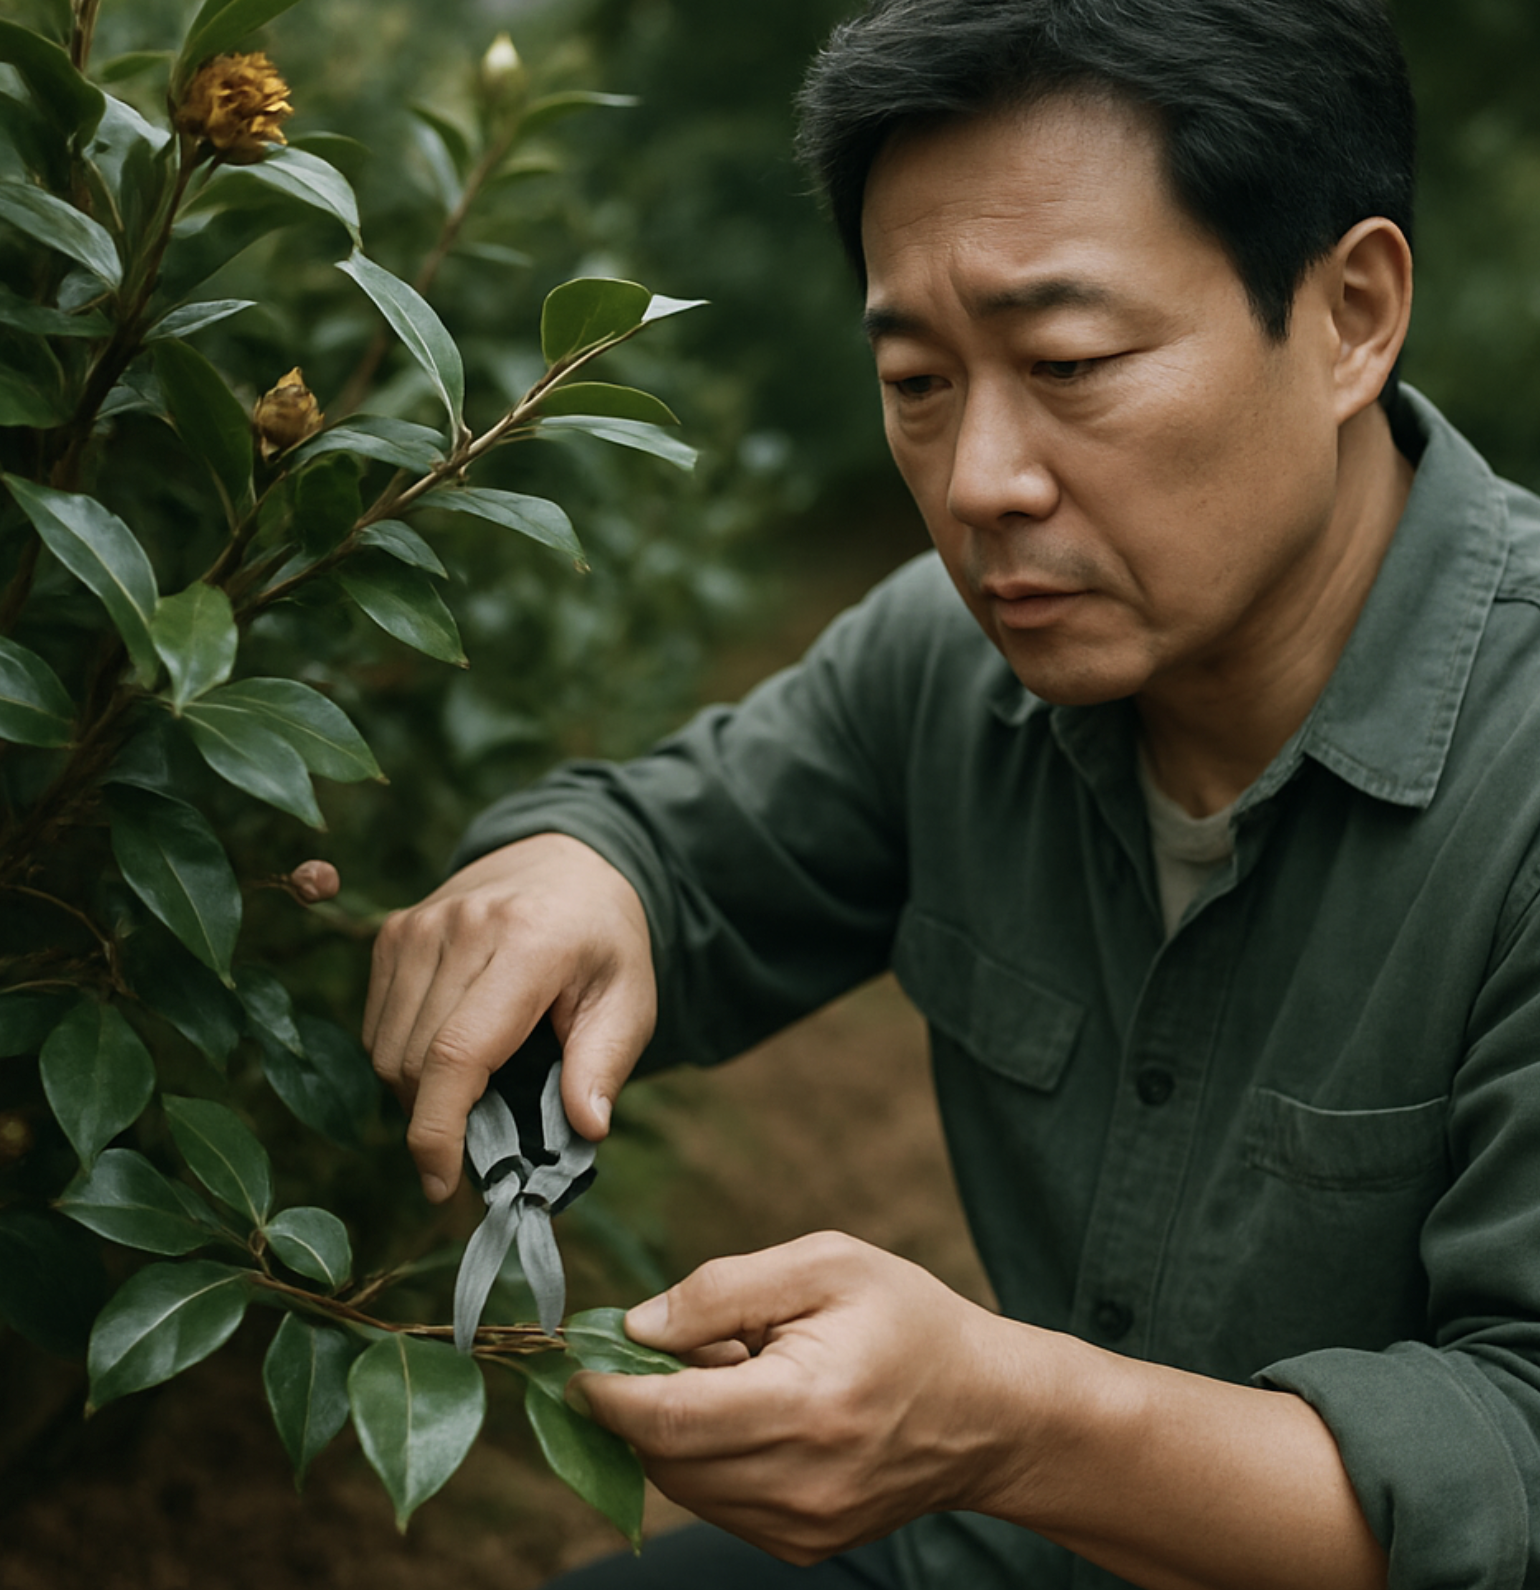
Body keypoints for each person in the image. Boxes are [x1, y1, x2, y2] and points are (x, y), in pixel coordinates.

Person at [338, 1, 1540, 1586]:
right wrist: (575, 873)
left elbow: (1514, 1461)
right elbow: (677, 851)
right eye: (918, 380)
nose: (980, 482)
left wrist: (1010, 1422)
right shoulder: (959, 663)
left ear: (1352, 313)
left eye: (1070, 362)